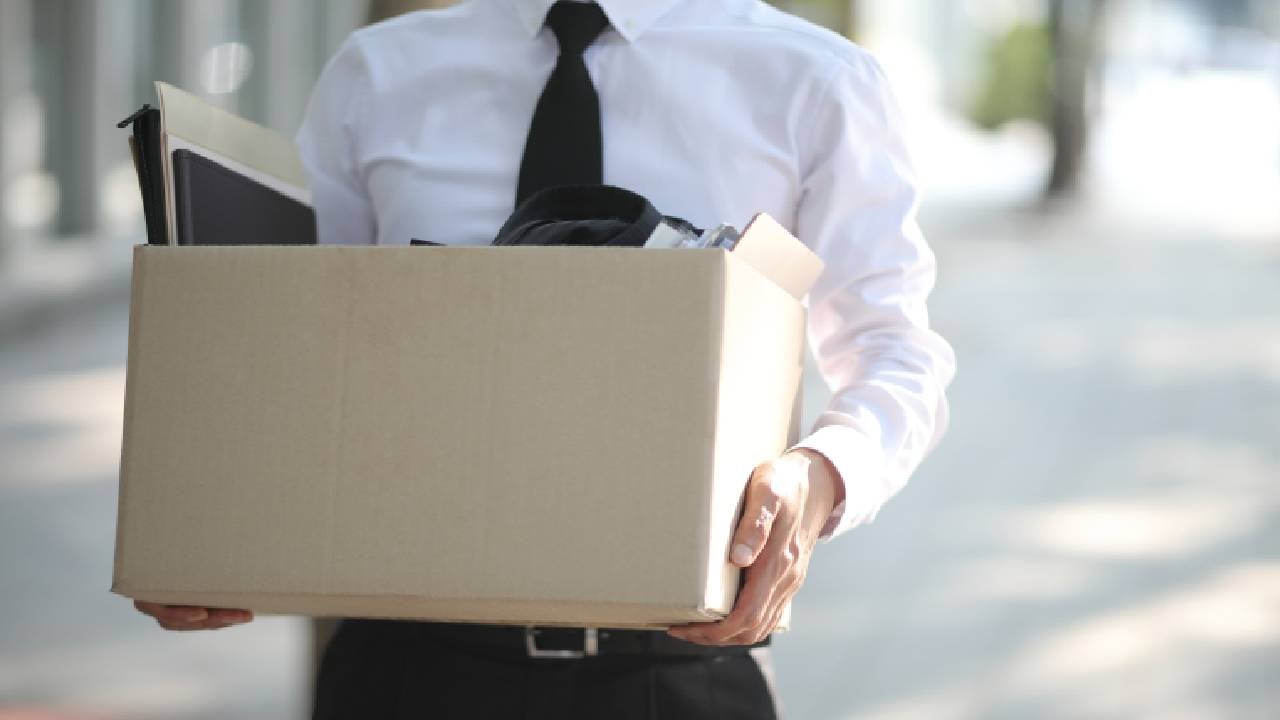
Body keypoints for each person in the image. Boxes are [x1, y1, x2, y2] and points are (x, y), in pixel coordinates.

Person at [134, 0, 956, 717]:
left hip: (678, 669)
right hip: (402, 668)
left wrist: (821, 475)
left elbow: (895, 351)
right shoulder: (378, 72)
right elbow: (299, 349)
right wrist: (209, 513)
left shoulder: (817, 80)